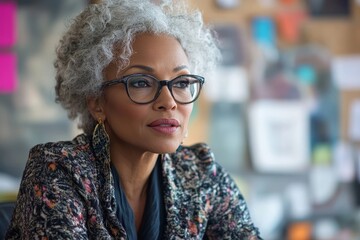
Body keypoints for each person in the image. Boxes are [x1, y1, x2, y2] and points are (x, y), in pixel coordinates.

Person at [6, 0, 262, 239]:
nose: (169, 101)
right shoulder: (58, 171)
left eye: (182, 82)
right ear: (97, 102)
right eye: (140, 82)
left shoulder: (202, 174)